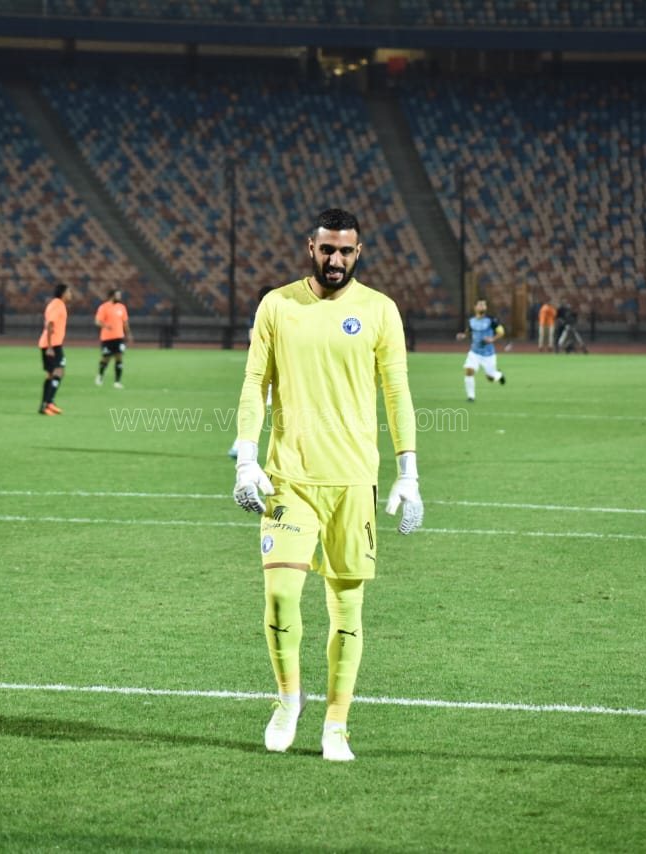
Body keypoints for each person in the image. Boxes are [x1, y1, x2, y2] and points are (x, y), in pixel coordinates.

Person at [231, 208, 422, 762]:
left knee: (347, 612)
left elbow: (397, 393)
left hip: (353, 483)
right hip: (289, 479)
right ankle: (288, 699)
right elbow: (255, 382)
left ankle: (336, 723)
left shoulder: (380, 311)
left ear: (358, 253)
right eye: (327, 249)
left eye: (345, 251)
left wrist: (409, 473)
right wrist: (246, 458)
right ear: (310, 248)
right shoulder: (278, 305)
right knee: (280, 596)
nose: (335, 259)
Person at [228, 284, 274, 459]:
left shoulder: (259, 316)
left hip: (265, 369)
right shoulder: (268, 315)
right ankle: (239, 446)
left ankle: (239, 446)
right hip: (270, 370)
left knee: (257, 407)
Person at [455, 298, 506, 402]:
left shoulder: (491, 320)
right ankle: (471, 397)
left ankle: (499, 375)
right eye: (480, 304)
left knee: (490, 378)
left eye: (484, 305)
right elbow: (468, 332)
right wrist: (463, 336)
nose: (482, 306)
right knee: (469, 370)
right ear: (475, 307)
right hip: (474, 352)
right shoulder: (471, 321)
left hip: (488, 354)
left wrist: (492, 339)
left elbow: (501, 332)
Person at [37, 284, 70, 415]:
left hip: (53, 344)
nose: (70, 294)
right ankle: (47, 404)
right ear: (63, 293)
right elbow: (50, 324)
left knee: (53, 374)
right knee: (58, 372)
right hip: (52, 345)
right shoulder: (57, 305)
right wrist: (50, 347)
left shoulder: (57, 304)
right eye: (69, 292)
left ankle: (47, 404)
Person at [94, 289, 130, 388]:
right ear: (112, 296)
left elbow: (125, 322)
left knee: (119, 358)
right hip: (107, 338)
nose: (119, 297)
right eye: (118, 295)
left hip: (119, 337)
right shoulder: (104, 307)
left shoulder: (122, 307)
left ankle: (117, 382)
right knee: (106, 358)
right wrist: (106, 326)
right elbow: (97, 321)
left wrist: (128, 334)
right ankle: (100, 376)